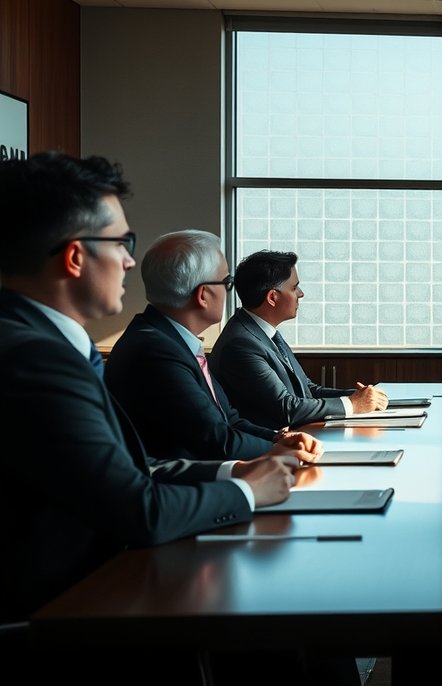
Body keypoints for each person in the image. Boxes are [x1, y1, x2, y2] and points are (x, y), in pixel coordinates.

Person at [0, 153, 301, 626]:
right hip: (68, 611)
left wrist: (233, 471)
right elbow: (139, 509)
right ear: (76, 256)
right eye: (121, 242)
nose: (128, 260)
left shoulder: (41, 341)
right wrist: (246, 490)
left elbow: (129, 469)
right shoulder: (35, 359)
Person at [105, 230, 324, 463]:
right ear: (203, 295)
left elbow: (230, 420)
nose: (231, 292)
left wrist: (277, 439)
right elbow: (218, 440)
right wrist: (279, 451)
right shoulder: (156, 351)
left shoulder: (171, 340)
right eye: (227, 282)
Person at [210, 250, 388, 428]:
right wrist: (352, 404)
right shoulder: (241, 344)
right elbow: (287, 409)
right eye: (294, 288)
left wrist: (358, 396)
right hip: (270, 447)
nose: (301, 294)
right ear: (273, 297)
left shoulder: (263, 332)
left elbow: (307, 390)